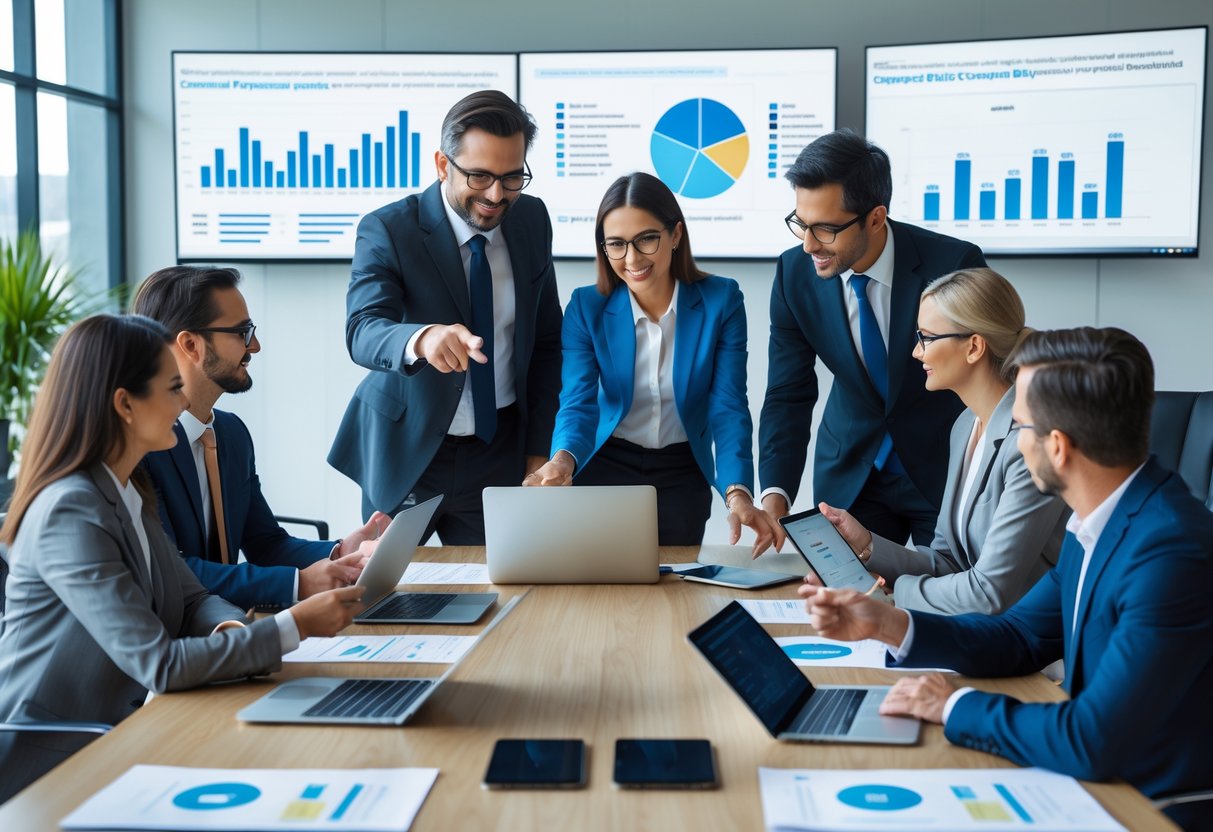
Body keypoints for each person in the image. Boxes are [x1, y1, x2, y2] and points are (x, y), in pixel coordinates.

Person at [801, 327, 1213, 831]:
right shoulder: (1101, 520)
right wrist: (887, 624)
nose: (1011, 439)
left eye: (1019, 425)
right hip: (1096, 782)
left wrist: (954, 705)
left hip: (1154, 808)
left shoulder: (1169, 553)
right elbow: (1020, 636)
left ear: (1057, 447)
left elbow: (1093, 738)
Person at [0, 315, 362, 803]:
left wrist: (233, 631)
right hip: (49, 764)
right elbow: (160, 664)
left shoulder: (128, 490)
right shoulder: (70, 510)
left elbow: (194, 599)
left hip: (123, 733)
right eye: (173, 389)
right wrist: (292, 626)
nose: (184, 402)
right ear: (125, 404)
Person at [328, 89, 562, 544]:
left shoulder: (531, 219)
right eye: (479, 176)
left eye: (512, 177)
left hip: (500, 450)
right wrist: (422, 339)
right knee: (387, 583)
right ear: (442, 165)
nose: (496, 195)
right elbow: (363, 330)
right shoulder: (389, 228)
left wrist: (540, 449)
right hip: (409, 449)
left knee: (504, 581)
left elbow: (547, 341)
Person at [524, 173, 777, 550]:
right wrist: (562, 459)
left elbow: (727, 406)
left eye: (646, 239)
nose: (632, 259)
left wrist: (737, 492)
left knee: (675, 580)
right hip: (606, 464)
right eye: (616, 244)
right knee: (598, 579)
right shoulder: (586, 307)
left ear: (675, 235)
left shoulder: (721, 301)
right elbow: (577, 401)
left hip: (682, 470)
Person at [759, 129, 987, 548]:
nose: (808, 245)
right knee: (845, 590)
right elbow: (787, 393)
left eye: (825, 229)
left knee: (949, 588)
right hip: (851, 475)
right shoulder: (794, 275)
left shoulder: (954, 264)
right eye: (801, 224)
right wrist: (775, 493)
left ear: (876, 218)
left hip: (943, 469)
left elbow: (986, 379)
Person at [809, 268, 1067, 613]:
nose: (917, 352)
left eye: (927, 338)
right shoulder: (965, 426)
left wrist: (888, 596)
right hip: (974, 628)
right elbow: (949, 562)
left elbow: (987, 593)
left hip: (1025, 640)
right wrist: (867, 544)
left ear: (974, 347)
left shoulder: (1029, 444)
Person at [135, 266, 387, 612]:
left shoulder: (231, 434)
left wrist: (340, 551)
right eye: (242, 332)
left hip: (228, 624)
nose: (254, 345)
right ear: (191, 345)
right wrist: (299, 583)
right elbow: (173, 572)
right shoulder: (140, 447)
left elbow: (265, 543)